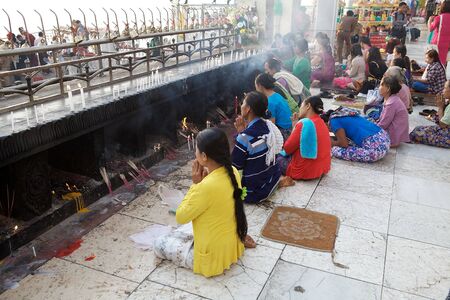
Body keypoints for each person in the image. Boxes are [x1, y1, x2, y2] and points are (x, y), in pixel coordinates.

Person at [154, 128, 249, 277]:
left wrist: (196, 184)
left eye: (196, 150)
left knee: (159, 243)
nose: (195, 153)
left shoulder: (205, 186)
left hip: (211, 257)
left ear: (204, 156)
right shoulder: (233, 171)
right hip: (230, 246)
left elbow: (181, 216)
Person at [232, 92, 283, 203]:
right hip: (270, 181)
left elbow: (235, 166)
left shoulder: (245, 138)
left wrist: (241, 135)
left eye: (243, 103)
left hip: (253, 192)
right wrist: (242, 132)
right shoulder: (268, 126)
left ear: (248, 109)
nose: (241, 106)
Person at [277, 96, 331, 180]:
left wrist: (295, 127)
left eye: (301, 105)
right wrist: (295, 125)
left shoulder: (304, 123)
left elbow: (287, 148)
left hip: (303, 172)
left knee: (275, 157)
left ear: (308, 106)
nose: (299, 109)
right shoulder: (321, 122)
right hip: (321, 169)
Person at [321, 107, 390, 162]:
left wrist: (330, 142)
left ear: (325, 124)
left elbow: (344, 144)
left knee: (335, 150)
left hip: (376, 150)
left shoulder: (333, 121)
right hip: (385, 138)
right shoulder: (342, 113)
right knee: (349, 141)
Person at [410, 80, 450, 148]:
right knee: (418, 129)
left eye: (445, 88)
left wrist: (440, 108)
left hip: (447, 135)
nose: (443, 90)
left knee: (417, 134)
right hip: (445, 130)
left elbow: (442, 125)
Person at [255, 73, 293, 138]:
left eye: (255, 85)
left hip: (285, 132)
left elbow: (271, 126)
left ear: (260, 85)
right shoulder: (276, 95)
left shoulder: (270, 102)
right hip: (290, 127)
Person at [377, 76, 410, 147]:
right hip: (394, 133)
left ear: (388, 88)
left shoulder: (391, 103)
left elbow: (383, 124)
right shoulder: (393, 99)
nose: (379, 87)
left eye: (381, 85)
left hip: (392, 138)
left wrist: (371, 128)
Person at [429, 0, 450, 65]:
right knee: (445, 60)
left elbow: (431, 29)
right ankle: (443, 73)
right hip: (448, 44)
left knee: (435, 61)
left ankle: (436, 73)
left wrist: (429, 21)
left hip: (438, 42)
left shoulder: (439, 17)